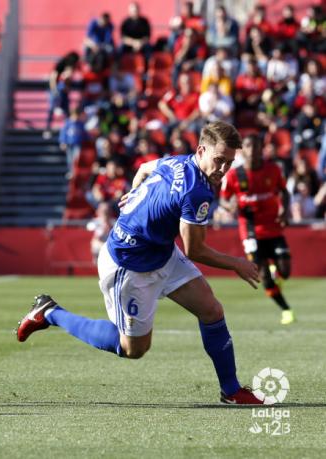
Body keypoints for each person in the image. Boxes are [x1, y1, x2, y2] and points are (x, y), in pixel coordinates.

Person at [17, 121, 264, 405]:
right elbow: (195, 250)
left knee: (211, 309)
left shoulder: (178, 162)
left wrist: (135, 192)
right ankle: (50, 313)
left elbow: (145, 168)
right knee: (133, 349)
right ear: (201, 150)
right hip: (129, 265)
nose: (223, 169)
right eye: (219, 160)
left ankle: (231, 390)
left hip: (159, 252)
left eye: (229, 163)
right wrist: (236, 263)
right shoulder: (198, 191)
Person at [220, 135, 295, 325]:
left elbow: (284, 191)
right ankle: (286, 310)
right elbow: (223, 199)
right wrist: (230, 207)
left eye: (256, 146)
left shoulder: (273, 169)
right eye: (248, 146)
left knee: (285, 272)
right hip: (250, 231)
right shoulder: (234, 175)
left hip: (273, 228)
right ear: (242, 150)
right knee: (263, 276)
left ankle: (277, 272)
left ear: (262, 148)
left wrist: (285, 211)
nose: (252, 150)